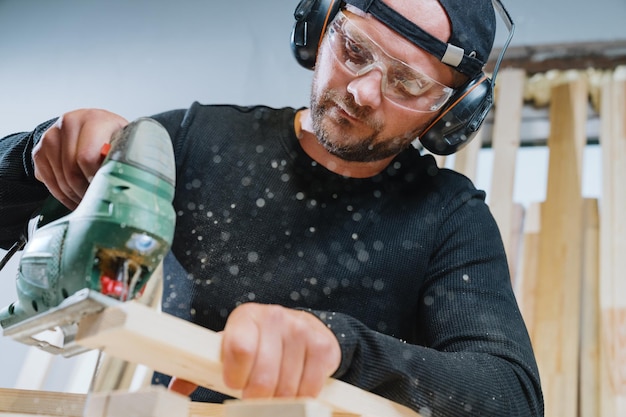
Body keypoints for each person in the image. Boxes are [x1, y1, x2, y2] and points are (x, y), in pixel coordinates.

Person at [0, 0, 544, 415]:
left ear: (450, 113)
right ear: (319, 23)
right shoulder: (193, 139)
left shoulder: (450, 217)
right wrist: (34, 154)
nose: (362, 92)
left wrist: (341, 347)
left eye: (405, 82)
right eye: (354, 50)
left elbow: (510, 395)